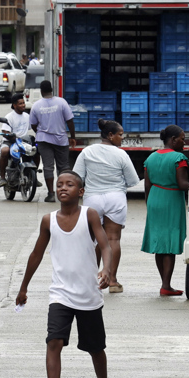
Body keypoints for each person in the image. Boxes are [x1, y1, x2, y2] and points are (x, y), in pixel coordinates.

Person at [15, 170, 116, 378]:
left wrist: (107, 269)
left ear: (80, 192)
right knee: (54, 343)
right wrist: (23, 287)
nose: (63, 188)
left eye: (70, 185)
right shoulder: (48, 220)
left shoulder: (89, 215)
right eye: (59, 184)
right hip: (60, 294)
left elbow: (105, 245)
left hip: (88, 295)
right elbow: (36, 254)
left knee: (95, 348)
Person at [73, 119, 140, 293]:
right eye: (120, 134)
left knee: (93, 240)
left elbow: (77, 177)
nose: (122, 138)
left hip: (92, 199)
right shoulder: (121, 154)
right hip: (115, 198)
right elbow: (133, 180)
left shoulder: (87, 152)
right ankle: (111, 281)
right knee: (113, 239)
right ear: (110, 135)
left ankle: (91, 280)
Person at [141, 125, 189, 296]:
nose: (184, 142)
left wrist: (150, 204)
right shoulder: (179, 158)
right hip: (171, 199)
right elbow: (183, 184)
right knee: (169, 244)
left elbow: (147, 185)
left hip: (155, 198)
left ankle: (165, 284)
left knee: (160, 244)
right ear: (173, 139)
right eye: (182, 139)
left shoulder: (151, 157)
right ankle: (166, 285)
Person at [29, 80, 77, 202]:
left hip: (43, 140)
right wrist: (72, 137)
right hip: (61, 140)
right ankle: (65, 193)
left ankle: (51, 194)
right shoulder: (62, 102)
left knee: (48, 167)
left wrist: (41, 132)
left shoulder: (36, 105)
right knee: (64, 167)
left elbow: (33, 125)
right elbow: (70, 121)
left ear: (41, 91)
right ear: (52, 89)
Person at [0, 94, 32, 185]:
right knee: (5, 151)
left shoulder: (27, 116)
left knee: (36, 151)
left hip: (23, 141)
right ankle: (2, 177)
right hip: (10, 140)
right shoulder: (9, 116)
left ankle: (33, 174)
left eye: (24, 103)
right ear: (14, 105)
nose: (23, 105)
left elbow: (32, 127)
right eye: (20, 103)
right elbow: (4, 131)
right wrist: (10, 135)